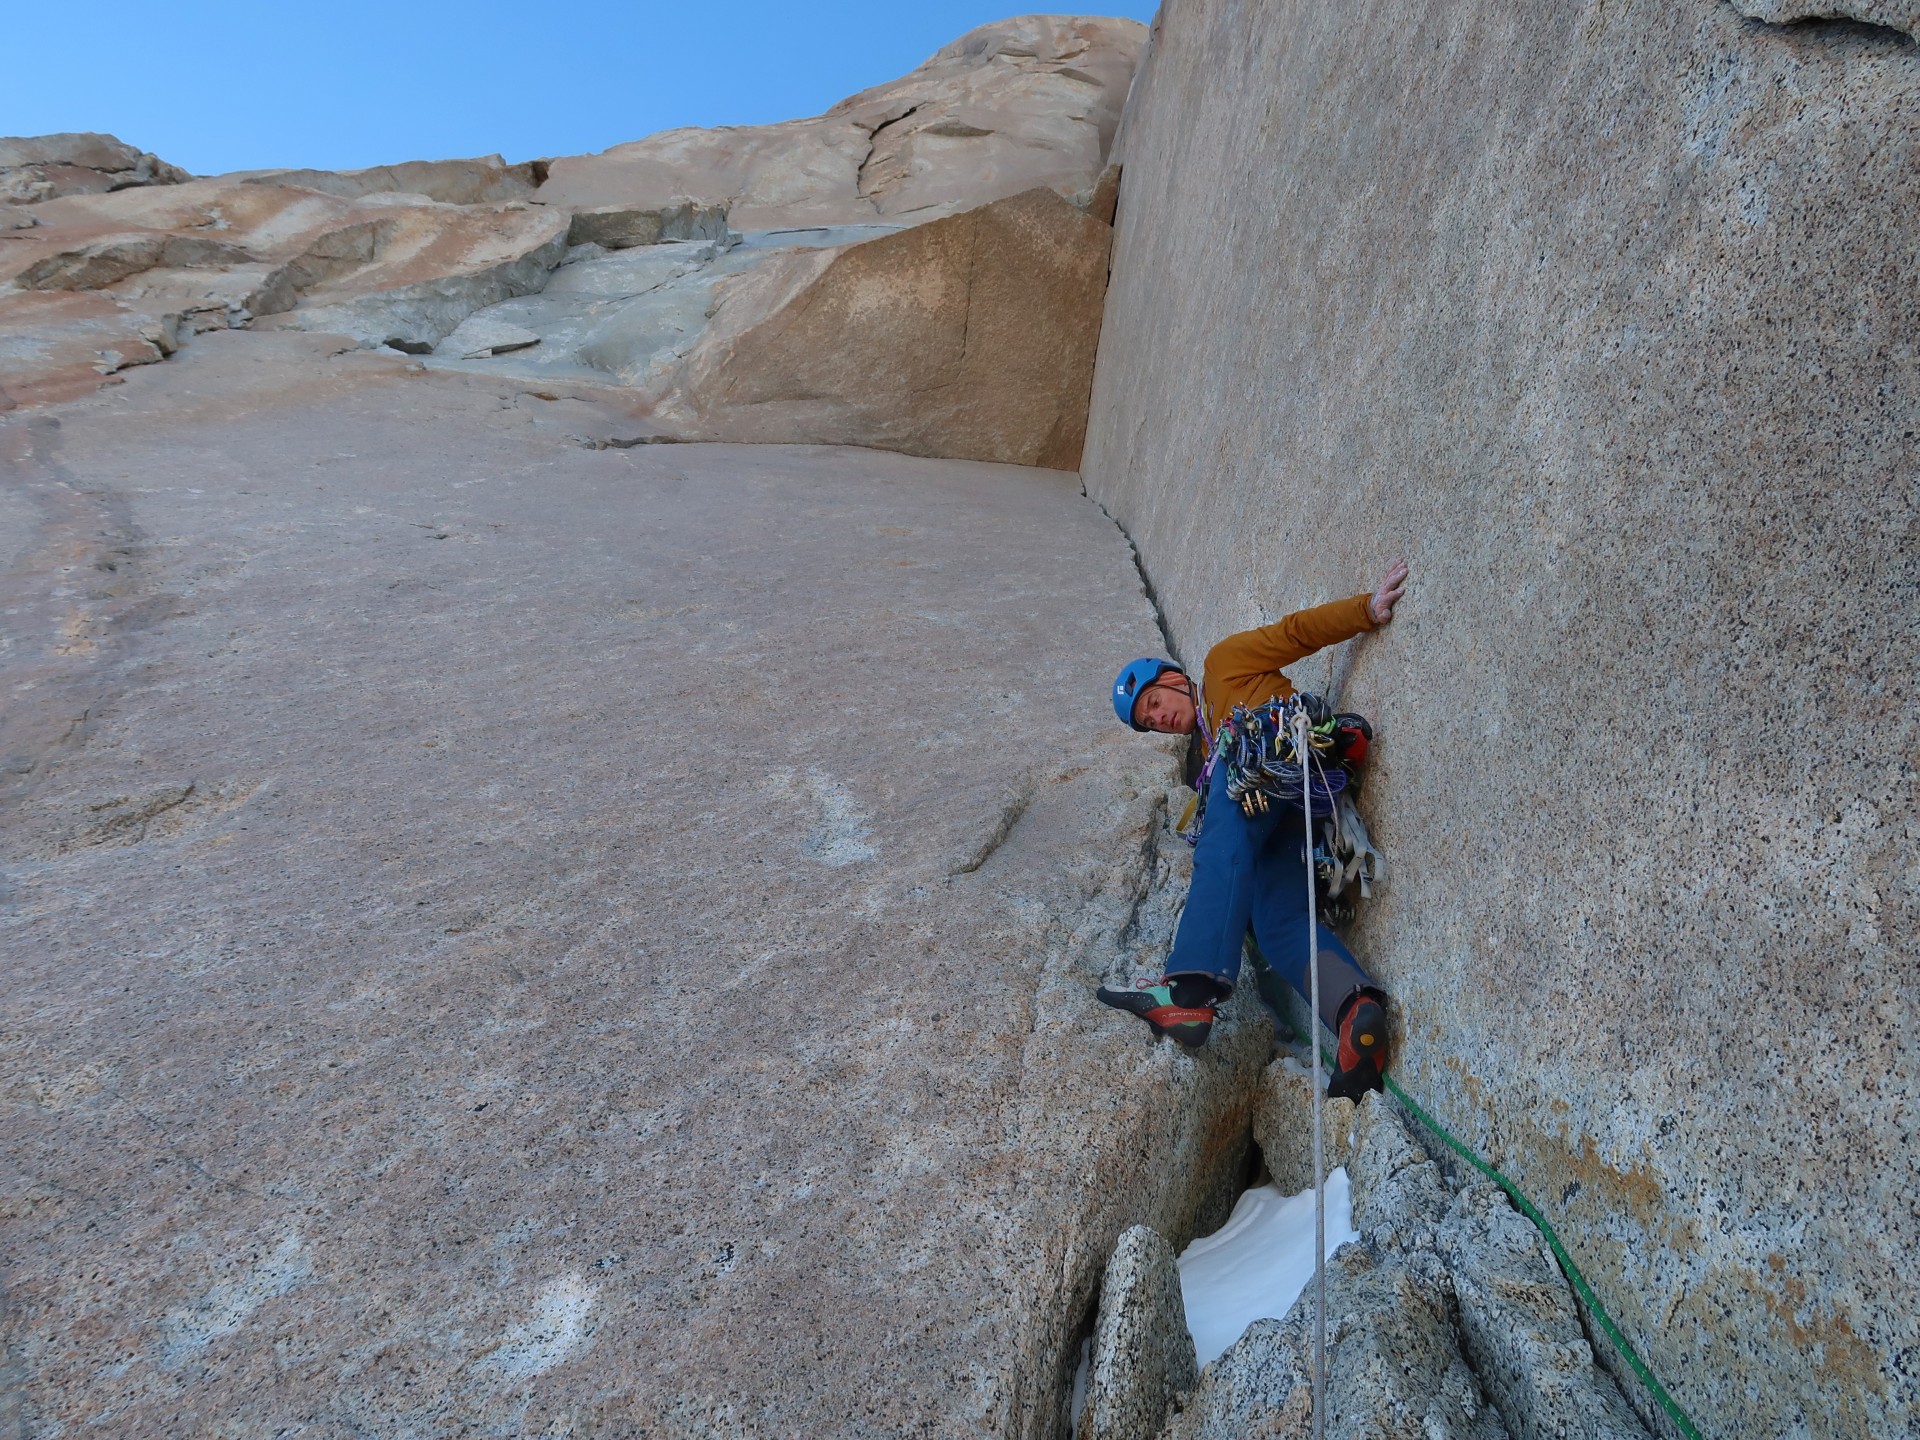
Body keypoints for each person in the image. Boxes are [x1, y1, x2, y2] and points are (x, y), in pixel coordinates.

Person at [1099, 560, 1409, 1099]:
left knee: (1220, 831)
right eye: (1149, 722)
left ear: (1172, 678)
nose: (1159, 718)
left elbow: (1293, 633)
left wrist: (1365, 609)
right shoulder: (1201, 755)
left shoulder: (1223, 667)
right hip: (1284, 810)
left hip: (1271, 753)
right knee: (1277, 921)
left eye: (1154, 702)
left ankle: (1190, 987)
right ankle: (1355, 1015)